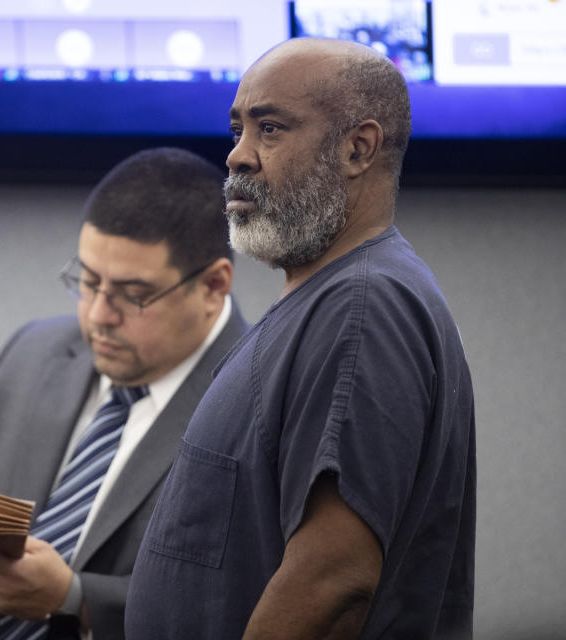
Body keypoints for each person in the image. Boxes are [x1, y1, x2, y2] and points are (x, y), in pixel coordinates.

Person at [125, 38, 476, 639]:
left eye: (271, 129)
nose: (237, 156)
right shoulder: (329, 301)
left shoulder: (365, 308)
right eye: (237, 129)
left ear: (357, 148)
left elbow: (334, 582)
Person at [0, 147, 248, 640]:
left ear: (212, 287)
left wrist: (75, 601)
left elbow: (243, 606)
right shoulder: (32, 352)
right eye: (88, 281)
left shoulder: (261, 405)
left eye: (131, 294)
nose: (98, 315)